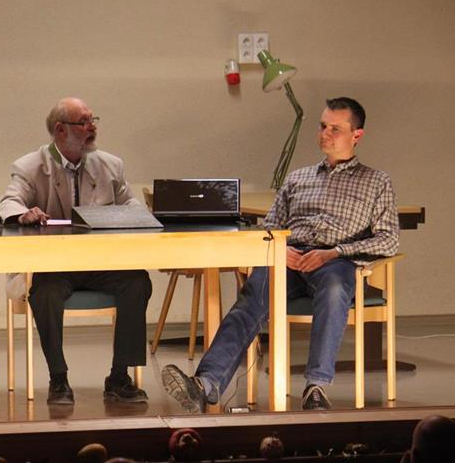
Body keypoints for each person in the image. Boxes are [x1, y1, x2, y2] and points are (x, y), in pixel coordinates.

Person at [162, 97, 400, 412]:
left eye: (336, 129)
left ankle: (316, 387)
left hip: (335, 261)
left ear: (357, 135)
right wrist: (280, 249)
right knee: (253, 294)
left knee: (333, 289)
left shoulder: (377, 181)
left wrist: (334, 253)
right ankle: (206, 383)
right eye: (323, 126)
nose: (325, 134)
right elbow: (270, 226)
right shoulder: (298, 178)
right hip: (287, 257)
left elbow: (389, 239)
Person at [0, 97, 152, 405]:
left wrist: (137, 214)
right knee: (45, 292)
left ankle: (119, 377)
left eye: (93, 120)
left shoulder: (110, 164)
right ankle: (58, 379)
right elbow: (10, 201)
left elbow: (130, 203)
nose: (92, 127)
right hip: (55, 266)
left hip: (99, 263)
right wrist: (23, 214)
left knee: (137, 281)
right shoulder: (30, 166)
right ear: (60, 130)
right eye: (84, 122)